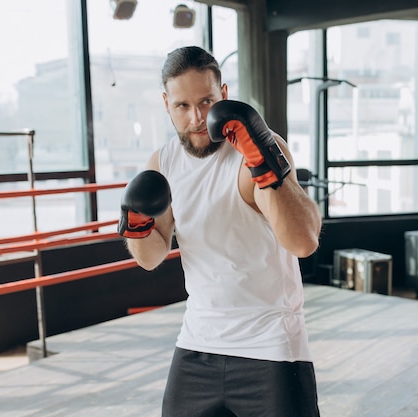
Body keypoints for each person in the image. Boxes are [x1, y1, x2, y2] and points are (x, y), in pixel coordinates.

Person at [117, 45, 323, 417]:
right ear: (166, 104)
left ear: (224, 95)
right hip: (198, 346)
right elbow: (152, 257)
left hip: (271, 348)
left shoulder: (257, 150)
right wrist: (136, 226)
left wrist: (263, 163)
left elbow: (304, 241)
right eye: (182, 106)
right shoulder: (162, 163)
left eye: (206, 101)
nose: (197, 117)